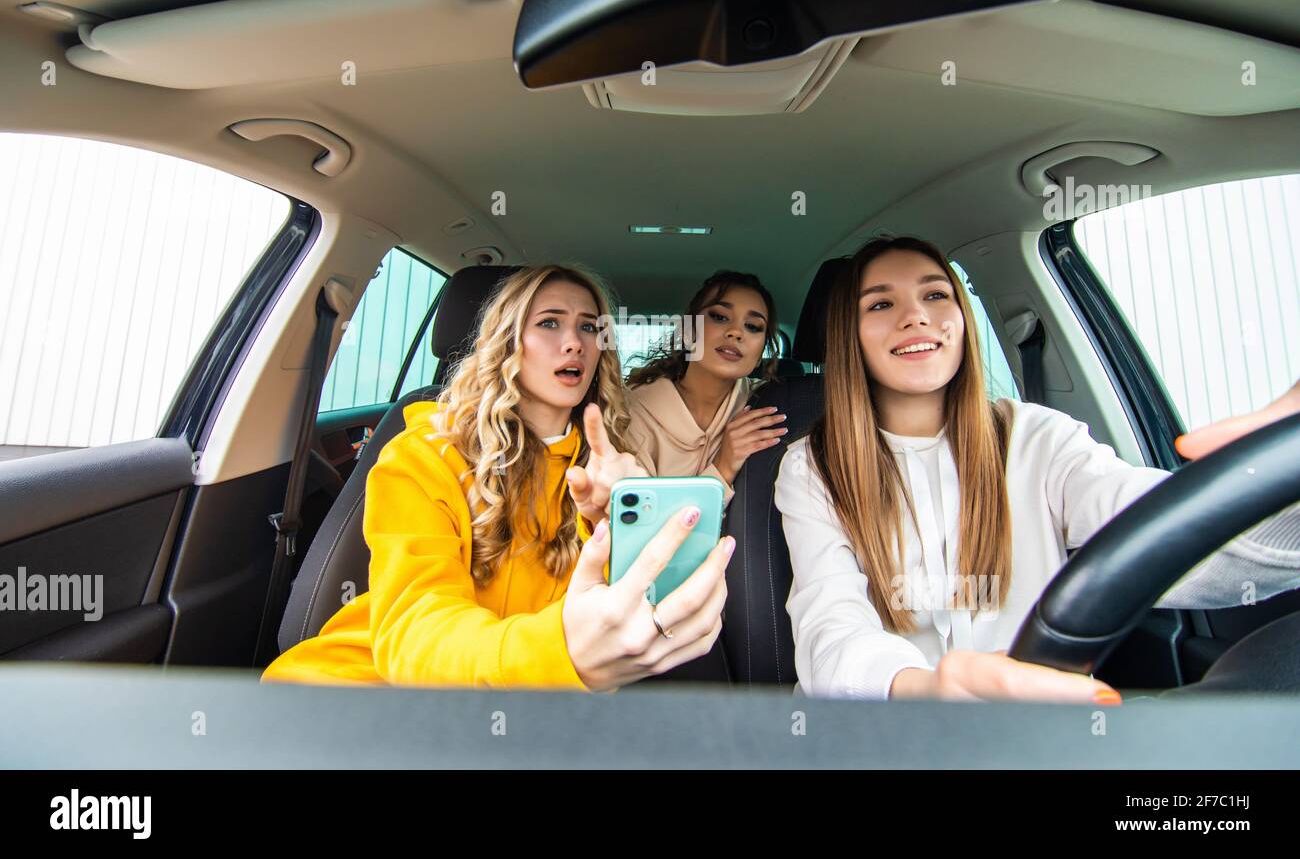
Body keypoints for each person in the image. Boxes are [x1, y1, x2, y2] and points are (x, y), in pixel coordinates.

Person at [775, 235, 1300, 701]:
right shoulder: (811, 467)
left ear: (961, 319)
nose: (916, 316)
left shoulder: (1038, 437)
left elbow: (1157, 532)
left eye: (936, 295)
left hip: (1032, 734)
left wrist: (1270, 485)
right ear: (850, 335)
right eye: (882, 303)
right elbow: (830, 620)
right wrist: (924, 689)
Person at [262, 265, 733, 691]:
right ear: (508, 340)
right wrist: (559, 654)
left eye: (589, 327)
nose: (574, 342)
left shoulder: (610, 475)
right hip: (366, 692)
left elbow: (627, 619)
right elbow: (415, 631)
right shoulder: (424, 454)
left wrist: (612, 524)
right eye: (549, 322)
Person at [625, 271, 786, 504]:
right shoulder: (633, 412)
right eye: (720, 317)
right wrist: (723, 467)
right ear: (689, 330)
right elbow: (643, 530)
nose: (736, 332)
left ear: (761, 352)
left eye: (752, 326)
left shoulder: (770, 407)